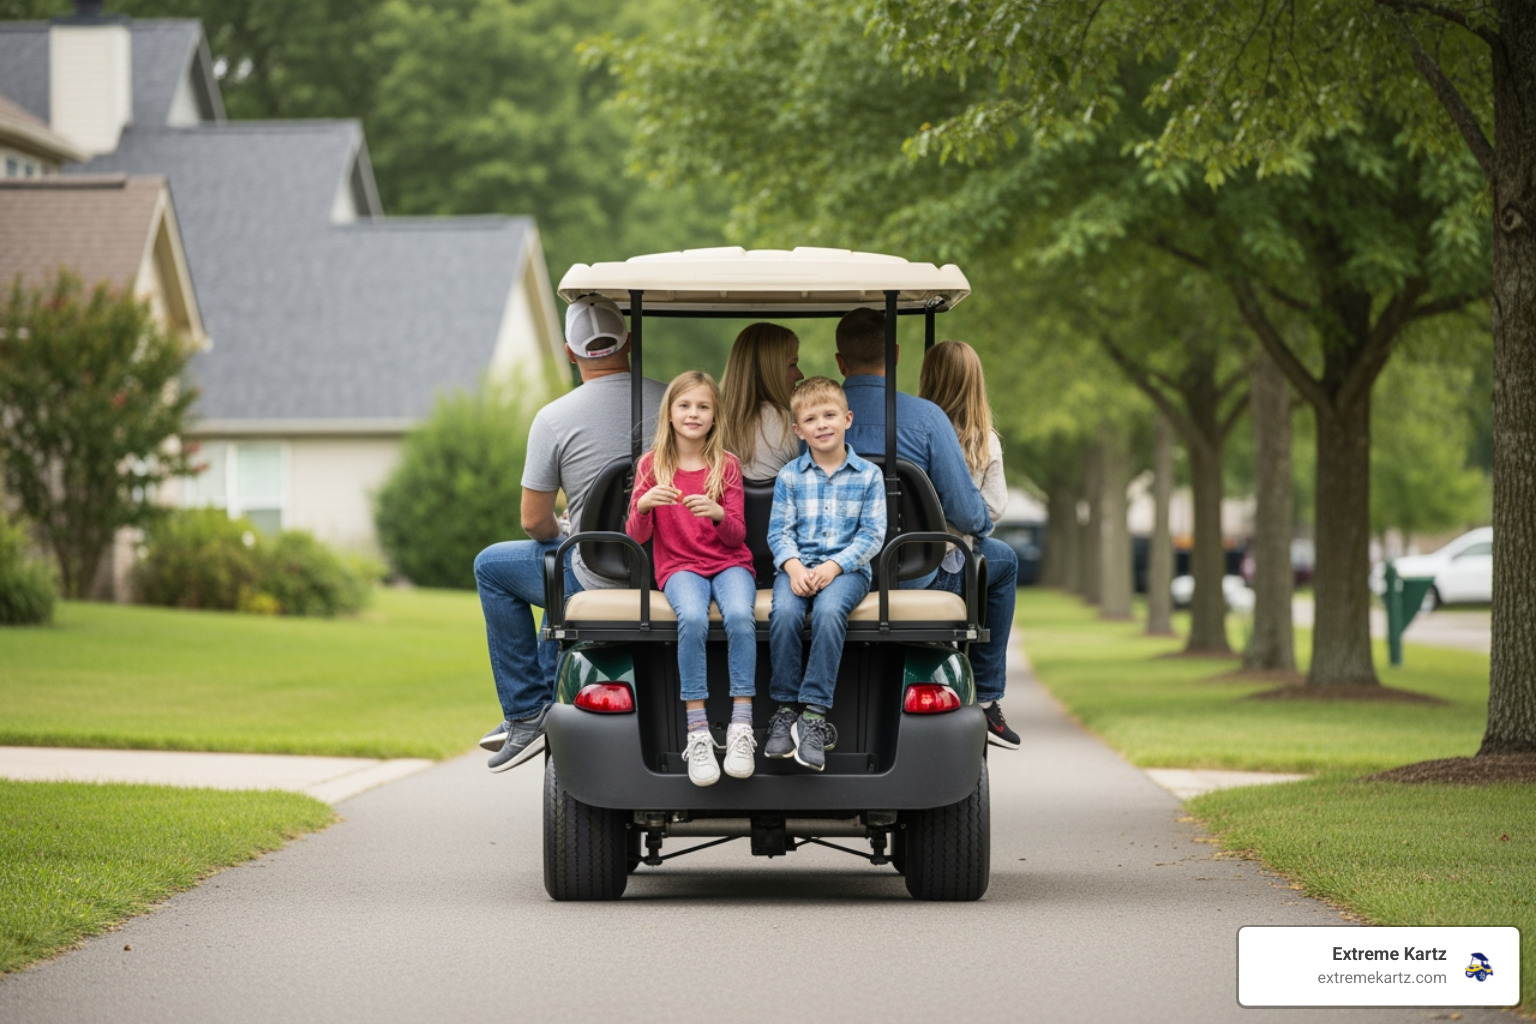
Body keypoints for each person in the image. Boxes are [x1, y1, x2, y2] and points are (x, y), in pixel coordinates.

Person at [474, 295, 666, 772]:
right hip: (671, 568)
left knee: (494, 566)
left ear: (569, 351)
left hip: (596, 574)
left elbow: (534, 523)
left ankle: (525, 710)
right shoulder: (677, 402)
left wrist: (566, 529)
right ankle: (535, 704)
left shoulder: (553, 418)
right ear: (629, 340)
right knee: (555, 560)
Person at [835, 308, 1021, 749]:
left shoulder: (812, 416)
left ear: (840, 362)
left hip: (833, 570)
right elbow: (971, 515)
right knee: (1005, 562)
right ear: (896, 355)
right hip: (916, 572)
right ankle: (990, 697)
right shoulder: (927, 419)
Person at [626, 371, 758, 787]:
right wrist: (644, 504)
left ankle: (741, 724)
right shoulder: (652, 466)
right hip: (680, 567)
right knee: (694, 620)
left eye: (703, 406)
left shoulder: (726, 465)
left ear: (716, 415)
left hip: (729, 562)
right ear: (669, 413)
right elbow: (636, 537)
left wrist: (718, 514)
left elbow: (738, 534)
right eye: (685, 406)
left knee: (739, 615)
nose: (693, 414)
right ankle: (697, 729)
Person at [764, 377, 886, 771]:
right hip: (798, 568)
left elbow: (872, 534)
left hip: (847, 570)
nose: (822, 424)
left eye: (830, 415)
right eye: (811, 419)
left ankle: (814, 714)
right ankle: (785, 709)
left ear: (847, 419)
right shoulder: (790, 477)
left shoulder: (868, 475)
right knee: (783, 612)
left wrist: (834, 566)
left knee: (831, 612)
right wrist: (794, 566)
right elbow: (779, 532)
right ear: (798, 430)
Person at [919, 339, 1009, 568]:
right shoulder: (985, 441)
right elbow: (995, 508)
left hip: (913, 546)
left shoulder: (914, 434)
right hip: (955, 549)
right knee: (1007, 560)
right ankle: (975, 605)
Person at [719, 322, 804, 480]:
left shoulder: (711, 422)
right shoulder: (786, 422)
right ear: (770, 370)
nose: (800, 374)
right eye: (792, 364)